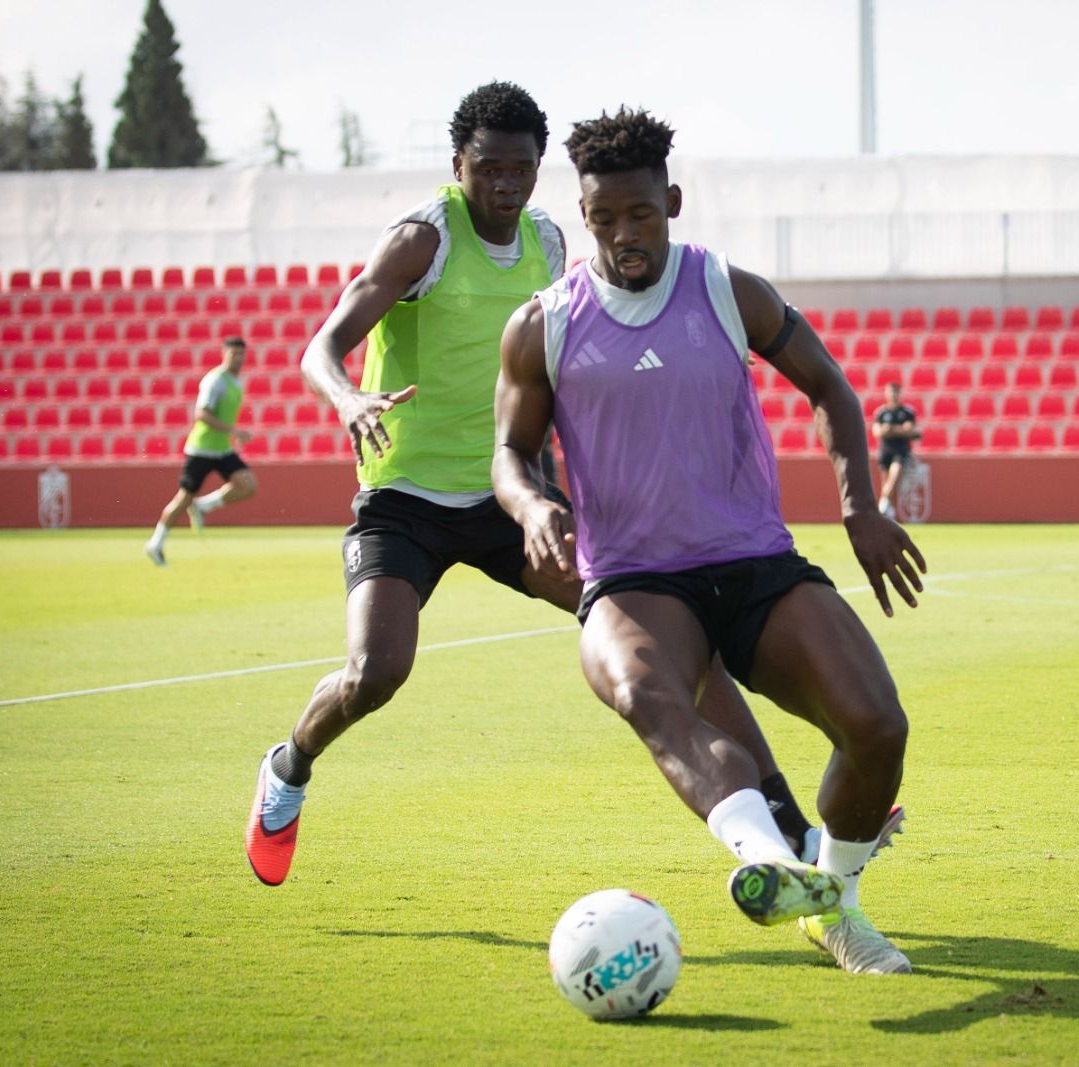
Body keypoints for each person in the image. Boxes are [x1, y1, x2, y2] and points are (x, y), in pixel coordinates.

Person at [244, 83, 844, 889]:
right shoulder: (422, 241)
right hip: (407, 502)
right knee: (374, 672)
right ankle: (288, 766)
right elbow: (324, 344)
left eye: (521, 169)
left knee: (674, 635)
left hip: (515, 500)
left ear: (539, 172)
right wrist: (349, 398)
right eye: (487, 168)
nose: (504, 184)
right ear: (458, 166)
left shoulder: (548, 240)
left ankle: (788, 826)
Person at [493, 107, 927, 975]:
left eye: (641, 214)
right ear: (584, 217)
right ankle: (768, 861)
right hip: (633, 580)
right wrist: (534, 507)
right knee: (648, 692)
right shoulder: (544, 322)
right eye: (605, 218)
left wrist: (860, 508)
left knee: (878, 727)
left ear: (673, 201)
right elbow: (510, 451)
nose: (625, 235)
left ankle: (830, 899)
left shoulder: (729, 290)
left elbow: (831, 388)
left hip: (754, 563)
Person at [144, 336, 257, 565]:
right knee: (184, 498)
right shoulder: (215, 380)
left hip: (222, 448)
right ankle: (155, 543)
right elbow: (201, 414)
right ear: (224, 354)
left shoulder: (236, 382)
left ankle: (204, 506)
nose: (238, 358)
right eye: (233, 354)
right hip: (202, 448)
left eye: (241, 354)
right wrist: (233, 430)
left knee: (248, 485)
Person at [872, 380, 918, 519]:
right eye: (890, 392)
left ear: (899, 393)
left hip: (901, 450)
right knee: (887, 482)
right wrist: (898, 429)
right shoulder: (881, 412)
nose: (893, 395)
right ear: (886, 393)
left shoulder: (907, 412)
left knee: (895, 475)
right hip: (885, 450)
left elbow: (908, 430)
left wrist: (889, 429)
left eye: (895, 392)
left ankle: (881, 505)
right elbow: (877, 432)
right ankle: (888, 512)